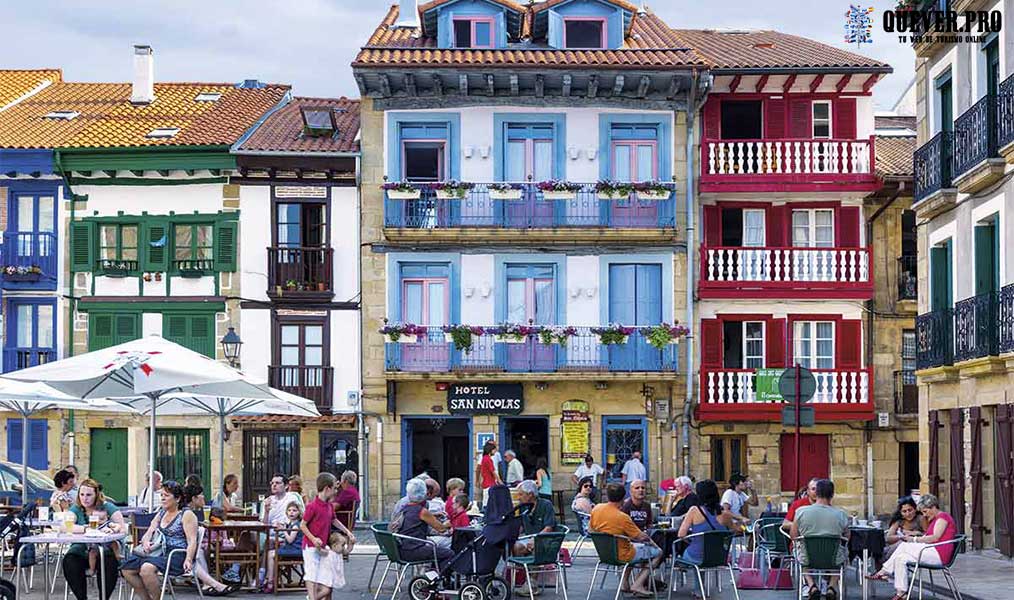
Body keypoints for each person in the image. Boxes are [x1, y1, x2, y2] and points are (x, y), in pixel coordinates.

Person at [122, 481, 199, 600]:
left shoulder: (186, 514)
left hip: (176, 553)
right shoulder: (161, 512)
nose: (162, 498)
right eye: (161, 495)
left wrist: (188, 559)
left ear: (177, 499)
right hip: (157, 551)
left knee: (146, 569)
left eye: (166, 495)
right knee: (126, 569)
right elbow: (149, 532)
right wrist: (146, 541)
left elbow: (192, 540)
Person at [870, 494, 957, 600]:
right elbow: (926, 537)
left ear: (933, 507)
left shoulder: (943, 517)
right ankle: (901, 593)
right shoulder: (934, 520)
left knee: (904, 546)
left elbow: (935, 537)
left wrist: (914, 539)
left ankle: (884, 571)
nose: (924, 515)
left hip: (939, 554)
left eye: (925, 511)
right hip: (931, 551)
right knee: (900, 558)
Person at [590, 483, 663, 598]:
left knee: (634, 547)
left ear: (607, 496)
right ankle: (638, 584)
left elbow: (591, 529)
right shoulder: (622, 517)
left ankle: (625, 583)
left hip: (605, 553)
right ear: (624, 497)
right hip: (624, 555)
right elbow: (642, 537)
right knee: (658, 553)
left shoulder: (596, 509)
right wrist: (655, 546)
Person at [62, 478, 126, 600]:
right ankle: (81, 598)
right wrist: (85, 529)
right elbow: (65, 526)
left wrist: (111, 530)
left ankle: (104, 598)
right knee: (69, 561)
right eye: (82, 494)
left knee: (109, 562)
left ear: (96, 495)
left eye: (89, 495)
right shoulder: (76, 509)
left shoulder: (107, 507)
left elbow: (122, 529)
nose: (84, 498)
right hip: (81, 549)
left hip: (105, 550)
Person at [790, 479, 849, 600]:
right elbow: (847, 537)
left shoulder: (801, 511)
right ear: (832, 495)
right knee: (842, 555)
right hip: (833, 558)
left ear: (816, 493)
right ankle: (831, 587)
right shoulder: (841, 514)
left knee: (801, 553)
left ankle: (811, 585)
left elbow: (793, 536)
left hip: (808, 557)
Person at [300, 473, 348, 600]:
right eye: (334, 488)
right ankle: (312, 597)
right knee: (312, 574)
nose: (336, 491)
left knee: (325, 580)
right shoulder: (312, 506)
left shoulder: (329, 506)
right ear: (327, 488)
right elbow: (303, 525)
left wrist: (347, 532)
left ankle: (313, 598)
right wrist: (313, 539)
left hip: (323, 547)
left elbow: (334, 521)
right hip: (310, 547)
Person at [391, 478, 453, 569]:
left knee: (436, 551)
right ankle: (436, 577)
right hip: (414, 550)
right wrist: (450, 523)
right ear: (424, 492)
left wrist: (432, 515)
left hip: (401, 549)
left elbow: (414, 519)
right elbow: (441, 528)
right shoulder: (422, 511)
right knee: (449, 553)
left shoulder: (405, 507)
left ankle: (431, 575)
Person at [677, 480, 734, 565]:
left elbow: (681, 534)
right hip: (719, 557)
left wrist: (693, 540)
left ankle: (697, 578)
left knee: (682, 554)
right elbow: (732, 531)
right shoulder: (726, 514)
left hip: (696, 556)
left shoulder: (694, 511)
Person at [263, 501, 304, 593]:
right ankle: (271, 578)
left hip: (296, 550)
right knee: (271, 550)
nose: (291, 512)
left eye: (294, 510)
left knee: (271, 554)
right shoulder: (291, 524)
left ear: (299, 512)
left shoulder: (296, 525)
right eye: (289, 510)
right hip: (291, 548)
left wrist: (283, 530)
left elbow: (290, 540)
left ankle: (270, 581)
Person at [513, 480, 557, 556]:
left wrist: (535, 539)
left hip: (544, 539)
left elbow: (548, 528)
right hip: (529, 539)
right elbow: (520, 526)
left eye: (521, 494)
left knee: (521, 547)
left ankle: (532, 566)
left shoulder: (546, 505)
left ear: (530, 494)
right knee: (512, 546)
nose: (518, 498)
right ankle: (521, 566)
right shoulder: (523, 506)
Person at [884, 496, 927, 560]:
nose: (908, 514)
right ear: (900, 512)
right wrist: (901, 537)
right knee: (880, 551)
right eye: (904, 511)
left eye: (910, 510)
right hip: (897, 545)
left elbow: (928, 535)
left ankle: (885, 566)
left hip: (915, 547)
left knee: (900, 545)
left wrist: (915, 533)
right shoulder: (899, 520)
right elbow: (888, 538)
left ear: (915, 509)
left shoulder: (921, 518)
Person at [478, 442, 501, 507]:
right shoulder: (488, 459)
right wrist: (500, 482)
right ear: (490, 450)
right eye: (494, 450)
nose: (495, 451)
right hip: (490, 484)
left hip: (486, 483)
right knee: (489, 504)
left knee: (486, 503)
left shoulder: (484, 458)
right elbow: (493, 472)